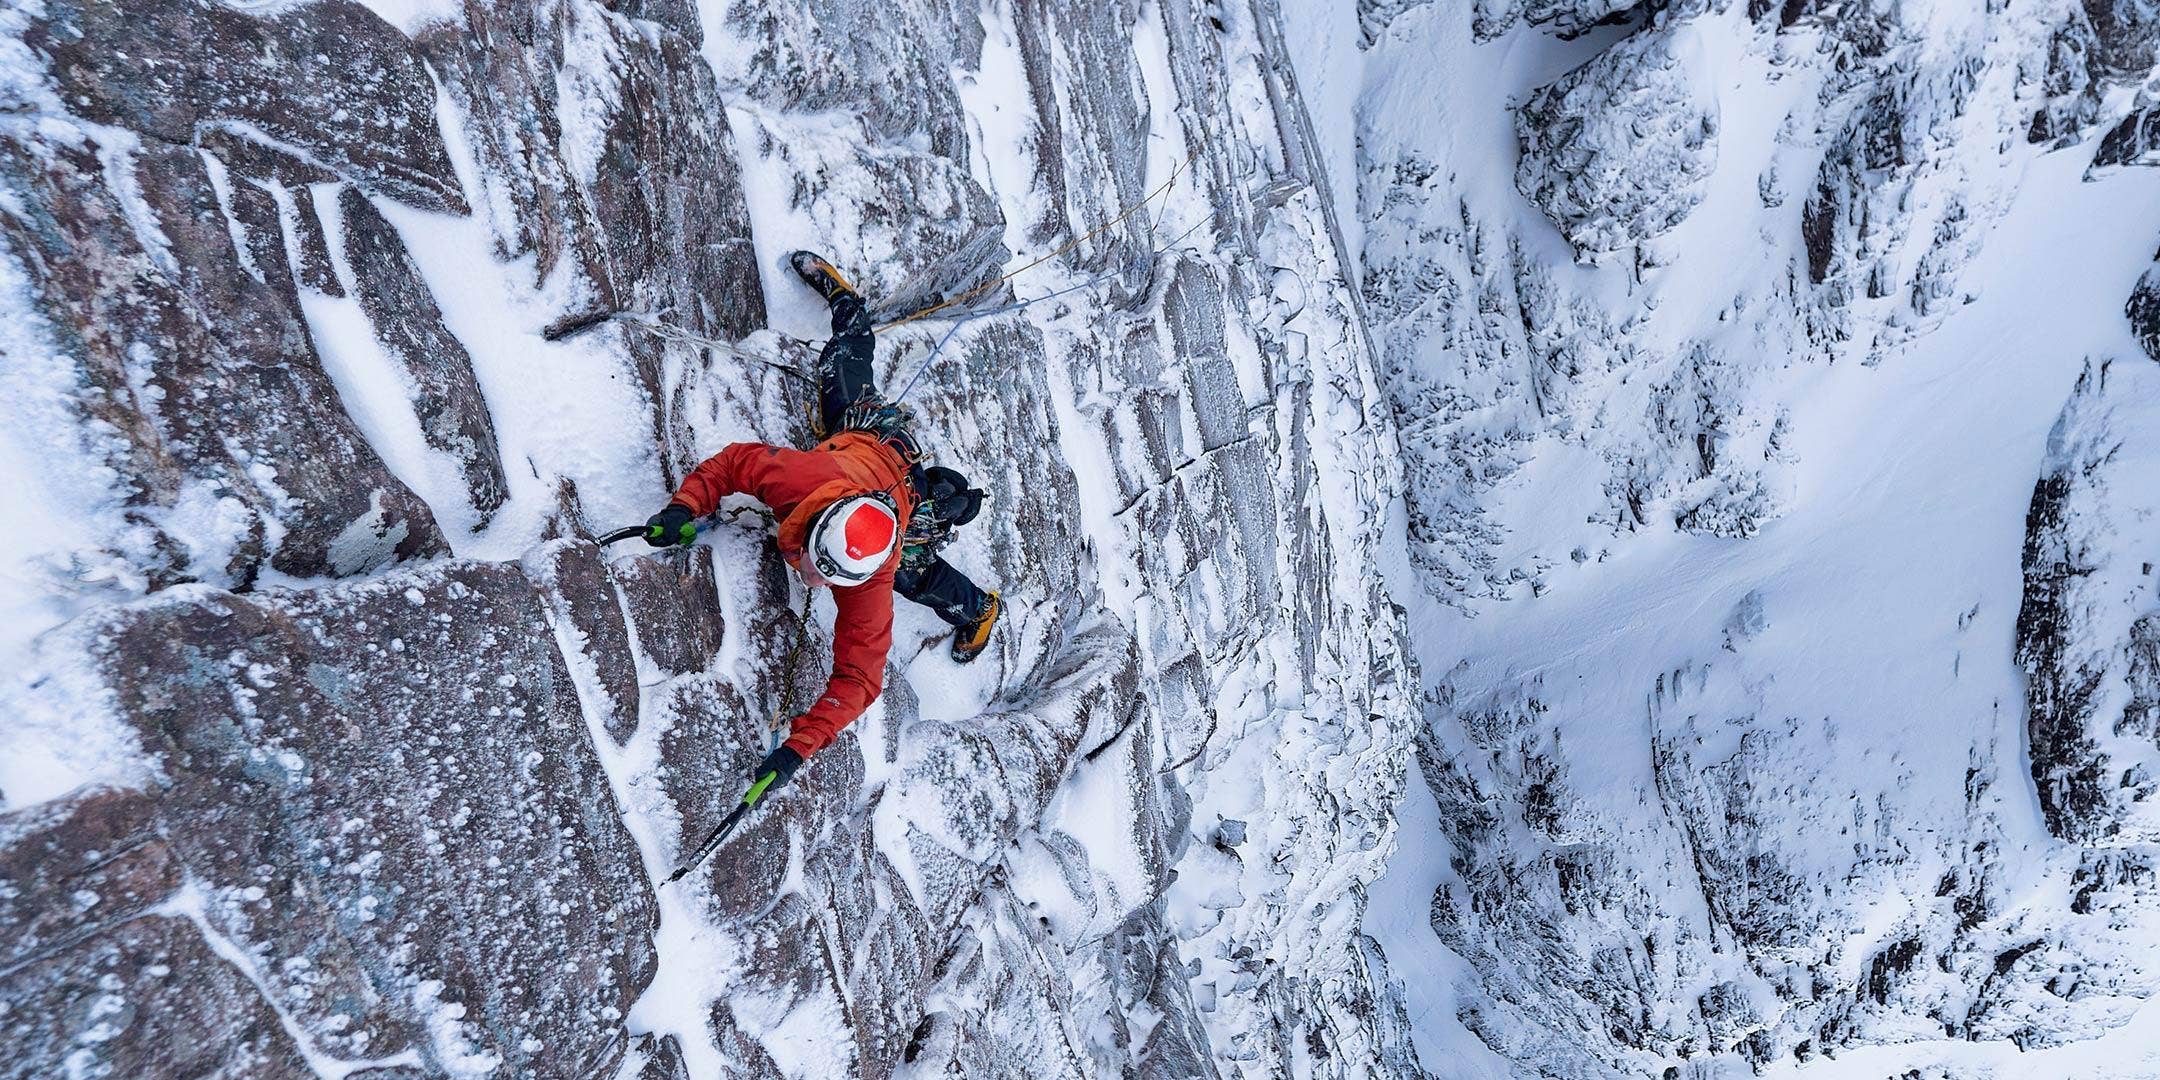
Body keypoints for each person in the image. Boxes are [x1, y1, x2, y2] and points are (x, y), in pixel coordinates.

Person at [642, 251, 1002, 790]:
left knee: (916, 573)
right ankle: (848, 305)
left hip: (898, 495)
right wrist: (683, 507)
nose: (815, 580)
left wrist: (798, 748)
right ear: (816, 525)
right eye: (818, 566)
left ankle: (979, 609)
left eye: (831, 579)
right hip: (867, 438)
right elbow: (733, 464)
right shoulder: (803, 479)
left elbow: (860, 677)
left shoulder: (876, 572)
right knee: (841, 360)